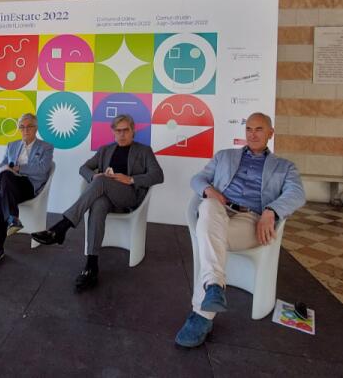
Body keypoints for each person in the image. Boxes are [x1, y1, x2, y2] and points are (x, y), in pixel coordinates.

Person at [175, 112, 305, 348]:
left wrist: (271, 211)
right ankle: (214, 286)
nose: (252, 134)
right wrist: (209, 190)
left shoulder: (285, 167)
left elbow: (297, 194)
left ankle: (202, 314)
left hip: (251, 220)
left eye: (259, 129)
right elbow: (198, 179)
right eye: (249, 129)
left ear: (270, 133)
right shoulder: (224, 156)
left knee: (210, 236)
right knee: (209, 206)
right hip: (220, 210)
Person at [31, 114, 164, 292]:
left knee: (101, 182)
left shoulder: (144, 151)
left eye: (126, 130)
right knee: (98, 204)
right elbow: (83, 168)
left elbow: (158, 175)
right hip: (107, 197)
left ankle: (62, 226)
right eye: (118, 130)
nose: (122, 134)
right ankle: (91, 266)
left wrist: (131, 179)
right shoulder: (105, 150)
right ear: (113, 132)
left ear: (133, 131)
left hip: (129, 197)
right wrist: (94, 176)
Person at [0, 114, 54, 267]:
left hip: (29, 186)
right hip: (11, 184)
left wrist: (19, 168)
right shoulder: (12, 145)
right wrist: (2, 169)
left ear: (36, 128)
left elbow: (42, 169)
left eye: (29, 126)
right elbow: (3, 164)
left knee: (2, 196)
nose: (25, 130)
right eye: (22, 127)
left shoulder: (46, 147)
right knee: (6, 177)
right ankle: (11, 220)